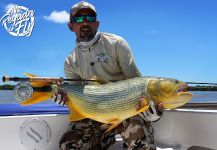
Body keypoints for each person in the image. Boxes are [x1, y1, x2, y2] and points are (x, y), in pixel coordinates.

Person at [52, 1, 163, 150]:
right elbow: (76, 96)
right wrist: (64, 98)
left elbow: (138, 85)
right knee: (68, 145)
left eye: (90, 18)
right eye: (78, 19)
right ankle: (106, 138)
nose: (85, 22)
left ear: (97, 24)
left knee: (140, 145)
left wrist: (151, 113)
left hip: (126, 111)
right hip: (95, 113)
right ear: (70, 26)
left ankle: (118, 136)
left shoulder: (117, 44)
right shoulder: (70, 62)